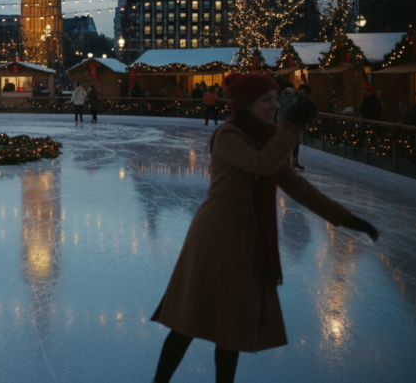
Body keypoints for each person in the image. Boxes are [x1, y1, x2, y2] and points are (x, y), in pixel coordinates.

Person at [149, 73, 379, 383]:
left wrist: (348, 218)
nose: (275, 106)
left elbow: (296, 185)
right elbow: (261, 164)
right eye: (266, 100)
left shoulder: (266, 137)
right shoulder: (228, 135)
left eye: (277, 99)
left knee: (231, 328)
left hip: (249, 239)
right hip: (217, 234)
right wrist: (292, 126)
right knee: (190, 320)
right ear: (246, 104)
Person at [277, 83, 304, 170]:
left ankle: (286, 161)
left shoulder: (281, 97)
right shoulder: (291, 98)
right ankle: (292, 160)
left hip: (283, 123)